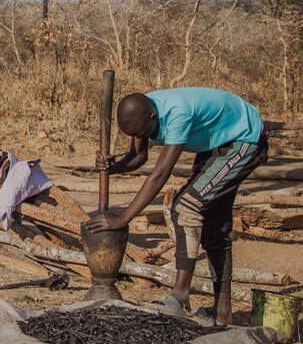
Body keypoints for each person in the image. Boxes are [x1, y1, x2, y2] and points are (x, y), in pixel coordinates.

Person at [85, 87, 267, 325]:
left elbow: (159, 175)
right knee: (212, 229)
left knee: (186, 207)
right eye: (135, 134)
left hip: (243, 139)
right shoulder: (143, 113)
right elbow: (139, 158)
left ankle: (181, 295)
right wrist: (114, 167)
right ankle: (223, 313)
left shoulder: (178, 113)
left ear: (153, 117)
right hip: (214, 144)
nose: (143, 137)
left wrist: (123, 218)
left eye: (143, 133)